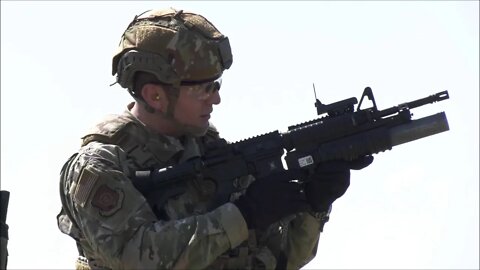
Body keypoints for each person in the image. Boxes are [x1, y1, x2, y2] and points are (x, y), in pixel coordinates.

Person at [57, 7, 373, 270]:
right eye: (205, 88)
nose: (216, 99)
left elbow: (277, 259)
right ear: (155, 95)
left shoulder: (208, 152)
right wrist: (243, 215)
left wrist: (314, 205)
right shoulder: (100, 166)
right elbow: (137, 255)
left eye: (217, 85)